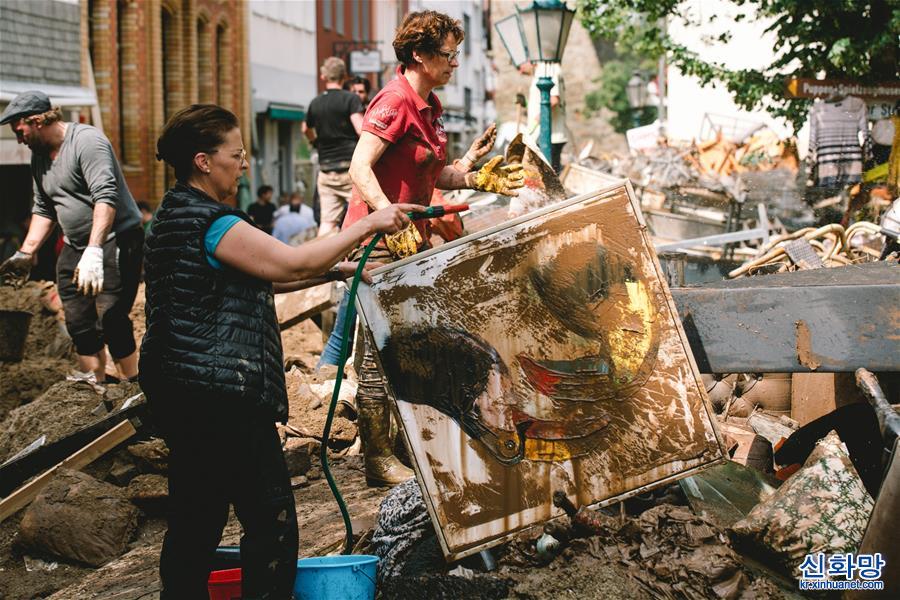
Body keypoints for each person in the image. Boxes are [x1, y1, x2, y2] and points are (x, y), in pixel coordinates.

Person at [143, 103, 421, 599]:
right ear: (204, 161)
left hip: (186, 394)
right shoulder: (211, 222)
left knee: (196, 524)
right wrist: (369, 223)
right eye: (237, 153)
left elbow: (262, 276)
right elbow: (290, 265)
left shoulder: (171, 215)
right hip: (222, 397)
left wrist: (338, 270)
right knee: (271, 523)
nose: (245, 162)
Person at [323, 10, 523, 487]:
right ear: (420, 55)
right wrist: (385, 217)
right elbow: (359, 167)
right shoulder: (393, 102)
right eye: (449, 54)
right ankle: (375, 458)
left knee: (406, 348)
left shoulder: (427, 106)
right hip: (378, 245)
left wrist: (477, 175)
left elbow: (434, 175)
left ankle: (399, 446)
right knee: (376, 352)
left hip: (408, 243)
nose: (455, 63)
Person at [0, 90, 143, 383]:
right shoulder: (39, 158)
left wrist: (94, 251)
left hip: (117, 238)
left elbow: (106, 196)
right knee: (78, 321)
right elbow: (44, 208)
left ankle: (134, 387)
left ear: (37, 120)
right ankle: (97, 385)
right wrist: (25, 253)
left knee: (111, 317)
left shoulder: (87, 142)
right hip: (76, 244)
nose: (18, 139)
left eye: (20, 130)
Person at [303, 57, 365, 237]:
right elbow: (361, 130)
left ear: (323, 76)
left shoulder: (315, 103)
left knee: (328, 222)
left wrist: (314, 141)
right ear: (344, 77)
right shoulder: (350, 99)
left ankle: (328, 262)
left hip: (326, 171)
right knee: (363, 217)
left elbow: (306, 128)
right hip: (349, 170)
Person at [520, 60, 569, 173]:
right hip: (543, 134)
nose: (520, 71)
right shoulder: (540, 70)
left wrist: (538, 118)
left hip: (551, 135)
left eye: (520, 66)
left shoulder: (547, 68)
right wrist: (525, 104)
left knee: (550, 177)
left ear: (528, 60)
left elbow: (553, 99)